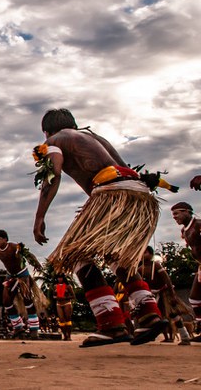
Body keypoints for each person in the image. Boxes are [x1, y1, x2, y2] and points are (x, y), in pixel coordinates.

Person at [31, 108, 167, 347]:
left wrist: (39, 216)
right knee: (115, 254)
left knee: (71, 255)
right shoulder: (95, 138)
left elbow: (54, 171)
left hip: (110, 193)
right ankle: (148, 312)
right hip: (138, 193)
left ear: (46, 131)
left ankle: (111, 323)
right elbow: (126, 169)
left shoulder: (54, 140)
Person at [0, 230, 44, 340]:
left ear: (5, 239)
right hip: (10, 277)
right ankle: (18, 327)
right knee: (6, 302)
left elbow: (28, 254)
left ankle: (34, 329)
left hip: (22, 275)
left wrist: (36, 263)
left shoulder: (14, 247)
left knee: (27, 300)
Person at [139, 245, 192, 345]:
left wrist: (172, 295)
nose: (143, 255)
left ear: (151, 254)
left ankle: (185, 337)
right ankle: (166, 337)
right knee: (159, 317)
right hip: (152, 295)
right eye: (142, 253)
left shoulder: (157, 265)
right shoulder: (140, 269)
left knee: (173, 314)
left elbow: (167, 280)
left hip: (164, 293)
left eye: (145, 252)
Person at [170, 201, 201, 342]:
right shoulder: (184, 231)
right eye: (172, 215)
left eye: (177, 213)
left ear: (187, 211)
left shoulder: (199, 224)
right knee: (194, 298)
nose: (174, 217)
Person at [54, 274, 75, 341]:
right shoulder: (55, 286)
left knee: (68, 319)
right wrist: (56, 297)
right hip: (59, 304)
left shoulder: (68, 286)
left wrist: (65, 297)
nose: (59, 279)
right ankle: (65, 335)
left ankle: (69, 336)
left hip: (67, 303)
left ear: (63, 278)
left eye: (61, 278)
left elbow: (73, 296)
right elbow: (53, 295)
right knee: (61, 320)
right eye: (58, 278)